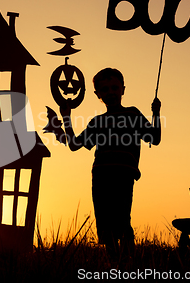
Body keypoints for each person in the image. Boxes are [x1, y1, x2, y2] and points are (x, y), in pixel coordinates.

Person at [60, 67, 161, 259]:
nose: (111, 93)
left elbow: (154, 138)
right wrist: (66, 117)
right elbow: (74, 145)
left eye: (115, 87)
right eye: (105, 89)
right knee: (106, 225)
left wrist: (156, 113)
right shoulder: (97, 122)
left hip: (123, 174)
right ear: (98, 94)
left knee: (122, 219)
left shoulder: (133, 114)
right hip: (100, 176)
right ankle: (114, 265)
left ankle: (129, 264)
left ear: (123, 89)